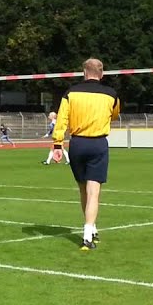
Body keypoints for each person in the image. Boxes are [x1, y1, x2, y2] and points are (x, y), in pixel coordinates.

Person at [51, 58, 121, 252]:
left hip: (77, 144)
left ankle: (92, 227)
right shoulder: (111, 94)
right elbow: (115, 115)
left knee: (83, 190)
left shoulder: (71, 92)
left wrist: (57, 144)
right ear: (102, 73)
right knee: (94, 192)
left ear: (84, 72)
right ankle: (88, 233)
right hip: (98, 143)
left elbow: (62, 118)